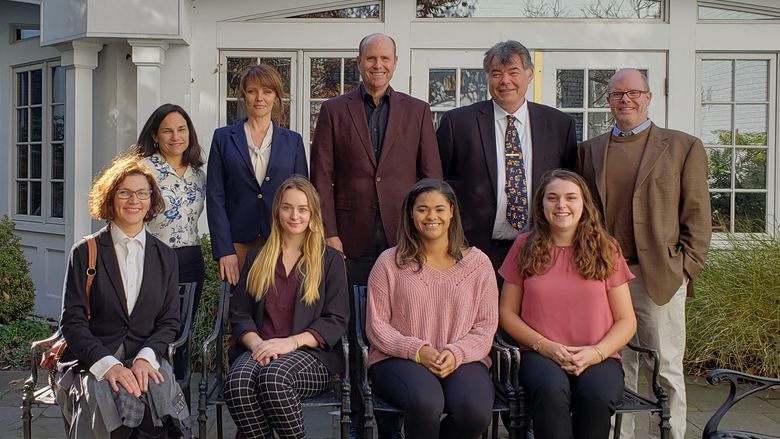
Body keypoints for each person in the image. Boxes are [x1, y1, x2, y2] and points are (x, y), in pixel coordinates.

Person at [310, 32, 442, 435]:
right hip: (350, 239)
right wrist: (329, 232)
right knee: (354, 330)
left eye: (385, 58)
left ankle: (391, 416)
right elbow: (322, 177)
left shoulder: (418, 111)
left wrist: (428, 233)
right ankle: (354, 416)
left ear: (395, 62)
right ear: (359, 62)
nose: (377, 65)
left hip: (406, 237)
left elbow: (431, 178)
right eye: (371, 59)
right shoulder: (334, 110)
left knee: (402, 323)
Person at [577, 68, 711, 439]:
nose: (626, 100)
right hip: (604, 277)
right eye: (618, 94)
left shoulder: (682, 146)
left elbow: (698, 213)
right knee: (617, 366)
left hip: (659, 276)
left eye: (634, 92)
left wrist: (687, 268)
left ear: (649, 97)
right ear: (608, 102)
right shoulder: (590, 150)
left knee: (664, 367)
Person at [56, 154, 189, 438]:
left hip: (145, 354)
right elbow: (73, 322)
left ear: (152, 200)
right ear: (110, 198)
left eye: (142, 193)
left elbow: (169, 321)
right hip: (95, 357)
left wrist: (146, 357)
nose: (134, 200)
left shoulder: (166, 256)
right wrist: (108, 366)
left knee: (156, 410)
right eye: (124, 192)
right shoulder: (85, 252)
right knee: (107, 406)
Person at [498, 169, 637, 439]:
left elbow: (627, 320)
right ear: (541, 204)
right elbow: (507, 312)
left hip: (599, 354)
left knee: (597, 395)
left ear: (584, 203)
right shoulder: (523, 246)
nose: (561, 205)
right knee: (550, 390)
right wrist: (544, 346)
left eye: (570, 198)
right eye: (552, 198)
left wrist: (597, 352)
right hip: (539, 354)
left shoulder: (606, 248)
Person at [366, 179, 498, 439]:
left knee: (475, 412)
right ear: (411, 214)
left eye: (439, 208)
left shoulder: (478, 264)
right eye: (422, 209)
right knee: (426, 402)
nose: (431, 216)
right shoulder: (389, 262)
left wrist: (456, 352)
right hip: (398, 359)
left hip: (462, 358)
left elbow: (485, 326)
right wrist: (418, 351)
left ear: (451, 212)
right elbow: (377, 326)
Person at [224, 176, 349, 439]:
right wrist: (257, 344)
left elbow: (336, 319)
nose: (294, 216)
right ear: (277, 210)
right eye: (287, 207)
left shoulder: (330, 260)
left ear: (312, 214)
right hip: (262, 347)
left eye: (302, 209)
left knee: (273, 378)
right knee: (237, 383)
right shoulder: (258, 257)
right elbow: (240, 312)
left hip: (311, 356)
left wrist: (290, 343)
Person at [437, 40, 578, 272]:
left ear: (530, 74)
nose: (505, 81)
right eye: (496, 73)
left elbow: (571, 188)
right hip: (471, 252)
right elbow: (438, 186)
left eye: (514, 72)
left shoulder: (559, 125)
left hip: (541, 250)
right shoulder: (458, 124)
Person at [207, 64, 308, 286]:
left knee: (279, 311)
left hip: (281, 240)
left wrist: (300, 245)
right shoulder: (223, 138)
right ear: (244, 96)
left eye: (267, 91)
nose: (259, 98)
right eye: (252, 91)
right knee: (239, 311)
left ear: (276, 96)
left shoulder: (293, 141)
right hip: (237, 244)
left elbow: (302, 197)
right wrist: (224, 249)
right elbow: (215, 196)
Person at [133, 103, 206, 378]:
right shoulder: (142, 170)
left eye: (181, 129)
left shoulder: (199, 174)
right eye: (167, 131)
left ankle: (179, 405)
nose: (176, 137)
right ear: (155, 135)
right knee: (153, 331)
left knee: (181, 333)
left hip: (190, 260)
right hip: (152, 258)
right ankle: (150, 398)